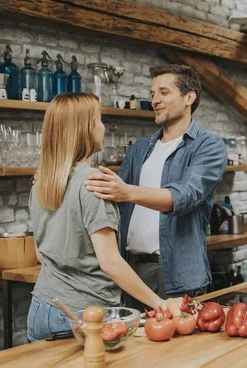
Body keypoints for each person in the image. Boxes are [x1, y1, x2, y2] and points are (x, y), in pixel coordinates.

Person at [27, 93, 180, 342]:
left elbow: (40, 253)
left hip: (41, 308)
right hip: (81, 315)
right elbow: (110, 262)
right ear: (86, 129)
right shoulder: (95, 185)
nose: (103, 127)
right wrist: (158, 303)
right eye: (98, 120)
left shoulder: (42, 182)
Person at [85, 64, 227, 311]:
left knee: (177, 348)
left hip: (175, 273)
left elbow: (186, 195)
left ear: (189, 97)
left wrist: (129, 192)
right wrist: (64, 176)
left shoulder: (208, 146)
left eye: (164, 92)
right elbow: (113, 192)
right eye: (152, 94)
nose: (155, 100)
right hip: (130, 270)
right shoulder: (140, 148)